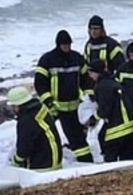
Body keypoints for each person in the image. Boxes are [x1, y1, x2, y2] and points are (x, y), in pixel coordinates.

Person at [34, 30, 93, 163]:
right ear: (58, 44)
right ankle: (39, 158)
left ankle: (86, 162)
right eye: (64, 45)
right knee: (42, 133)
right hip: (53, 107)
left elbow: (86, 80)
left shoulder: (77, 58)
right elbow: (40, 83)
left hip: (73, 107)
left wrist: (89, 95)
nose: (66, 47)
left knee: (77, 137)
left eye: (68, 45)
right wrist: (49, 101)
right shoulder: (47, 60)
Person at [88, 60, 133, 161]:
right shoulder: (112, 81)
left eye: (91, 73)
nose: (90, 76)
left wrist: (93, 118)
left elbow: (104, 110)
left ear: (96, 72)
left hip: (119, 129)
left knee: (109, 152)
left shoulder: (103, 86)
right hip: (132, 127)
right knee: (130, 160)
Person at [7, 86, 63, 171]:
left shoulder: (26, 121)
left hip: (42, 167)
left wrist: (15, 160)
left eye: (13, 106)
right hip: (57, 161)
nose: (12, 109)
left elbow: (24, 150)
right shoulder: (41, 108)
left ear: (17, 106)